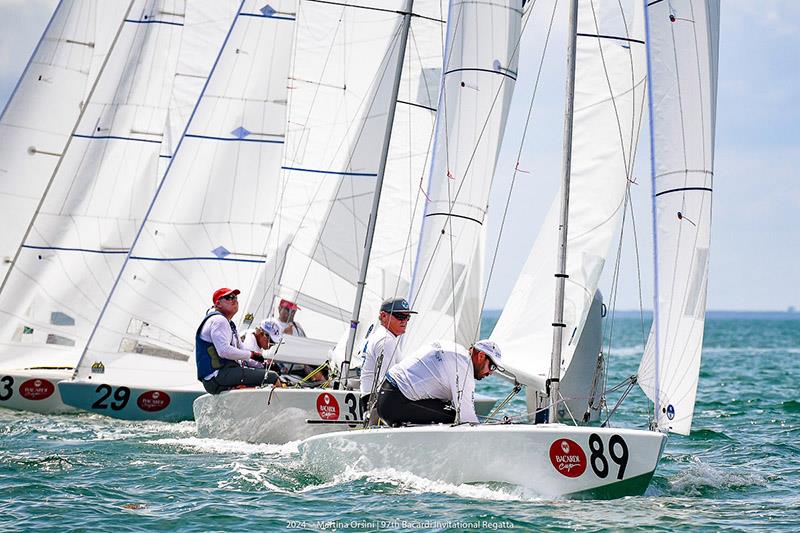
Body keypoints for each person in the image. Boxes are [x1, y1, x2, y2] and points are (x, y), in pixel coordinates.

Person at [376, 339, 502, 426]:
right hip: (394, 402)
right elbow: (466, 417)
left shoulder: (457, 351)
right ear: (480, 356)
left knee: (449, 409)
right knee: (454, 417)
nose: (490, 373)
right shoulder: (463, 365)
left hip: (389, 395)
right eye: (492, 367)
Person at [195, 288, 280, 394]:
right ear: (218, 303)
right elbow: (224, 351)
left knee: (265, 375)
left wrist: (263, 365)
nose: (234, 300)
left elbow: (243, 350)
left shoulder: (230, 324)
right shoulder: (218, 320)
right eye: (229, 297)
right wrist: (252, 355)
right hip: (218, 376)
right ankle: (281, 407)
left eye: (235, 297)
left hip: (223, 375)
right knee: (272, 377)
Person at [358, 297, 416, 413]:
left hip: (370, 399)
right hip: (378, 402)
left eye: (407, 317)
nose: (404, 321)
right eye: (400, 316)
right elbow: (387, 381)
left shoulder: (380, 336)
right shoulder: (386, 340)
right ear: (384, 316)